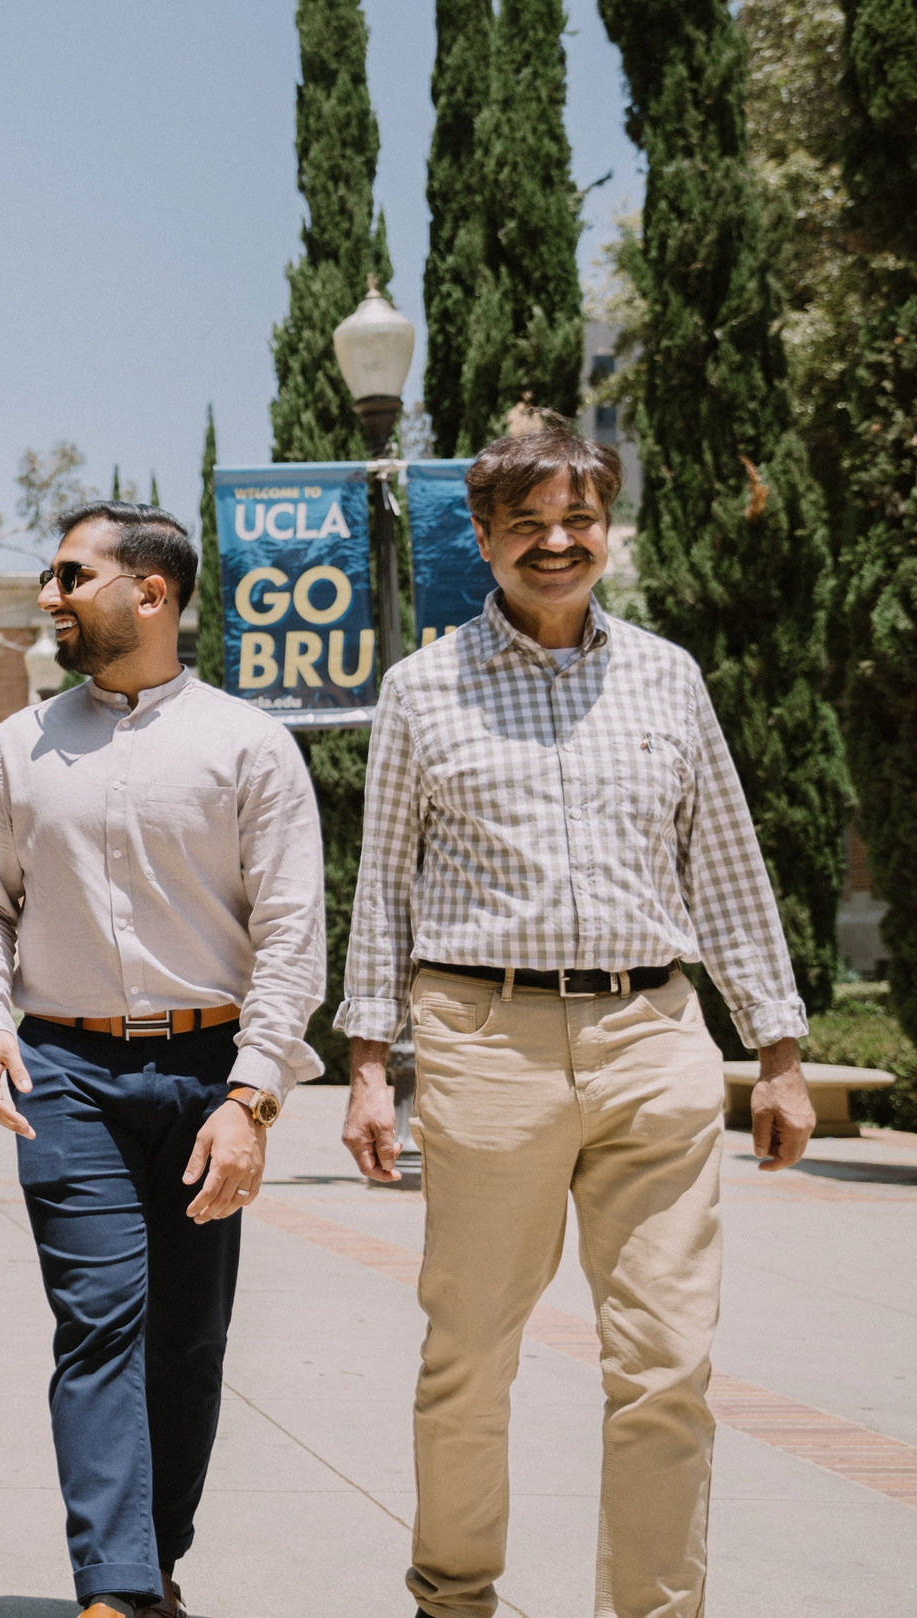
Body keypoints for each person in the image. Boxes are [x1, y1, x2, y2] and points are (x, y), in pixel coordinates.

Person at [336, 423, 817, 1618]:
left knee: (666, 1364)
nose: (557, 544)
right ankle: (453, 1596)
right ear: (486, 538)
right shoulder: (420, 687)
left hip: (653, 1035)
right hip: (482, 1039)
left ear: (606, 526)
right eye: (528, 525)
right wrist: (363, 1062)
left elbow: (727, 868)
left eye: (579, 520)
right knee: (469, 1353)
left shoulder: (667, 676)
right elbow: (382, 885)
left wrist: (778, 1052)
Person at [0, 500, 325, 1618]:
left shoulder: (249, 744)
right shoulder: (20, 745)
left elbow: (291, 928)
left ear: (149, 594)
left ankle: (153, 1558)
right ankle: (110, 1588)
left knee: (187, 1339)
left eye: (71, 576)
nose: (48, 597)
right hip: (63, 1072)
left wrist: (253, 1096)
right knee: (100, 1319)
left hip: (213, 1071)